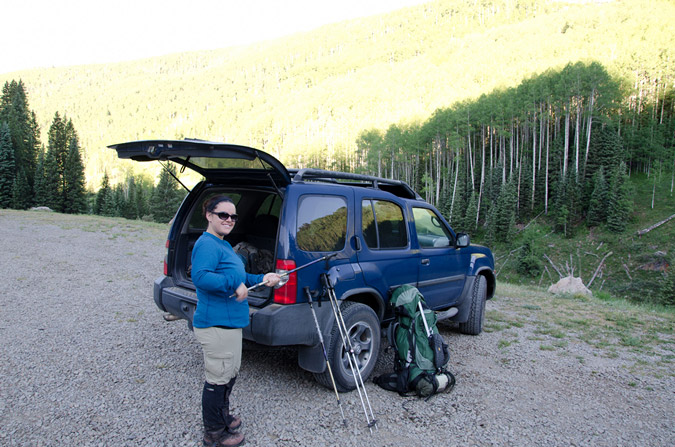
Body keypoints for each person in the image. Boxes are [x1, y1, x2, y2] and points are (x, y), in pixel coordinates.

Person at [191, 195, 281, 447]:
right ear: (209, 215)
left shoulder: (223, 244)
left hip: (230, 323)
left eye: (233, 216)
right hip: (215, 324)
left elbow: (239, 275)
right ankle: (214, 434)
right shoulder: (208, 244)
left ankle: (223, 416)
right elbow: (201, 277)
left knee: (228, 374)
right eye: (223, 215)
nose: (229, 220)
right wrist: (234, 283)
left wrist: (263, 277)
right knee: (217, 379)